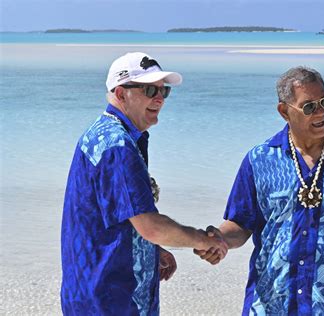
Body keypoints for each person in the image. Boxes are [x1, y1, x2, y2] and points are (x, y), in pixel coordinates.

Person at [195, 66, 324, 315]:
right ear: (284, 111)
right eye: (309, 107)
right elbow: (240, 224)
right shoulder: (259, 160)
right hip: (269, 304)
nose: (321, 113)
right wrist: (219, 241)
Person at [61, 52, 227, 315]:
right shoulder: (117, 146)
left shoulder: (108, 135)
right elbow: (150, 226)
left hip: (96, 293)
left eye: (164, 91)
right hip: (111, 300)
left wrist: (152, 251)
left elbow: (115, 216)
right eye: (150, 90)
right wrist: (202, 240)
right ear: (120, 93)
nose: (159, 98)